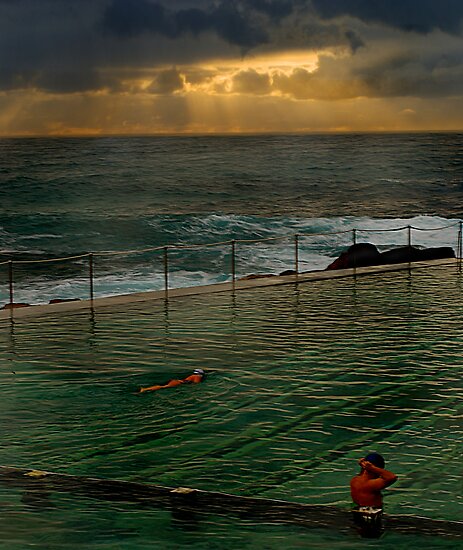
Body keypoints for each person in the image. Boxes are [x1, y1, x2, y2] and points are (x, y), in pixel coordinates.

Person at [350, 452, 398, 538]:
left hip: (357, 513)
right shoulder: (371, 484)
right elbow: (392, 477)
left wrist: (365, 466)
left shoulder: (355, 480)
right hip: (372, 517)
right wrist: (372, 468)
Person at [138, 369, 205, 393]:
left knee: (163, 386)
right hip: (178, 382)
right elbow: (196, 384)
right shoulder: (197, 376)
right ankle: (145, 389)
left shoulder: (192, 375)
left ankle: (145, 389)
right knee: (163, 387)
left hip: (177, 381)